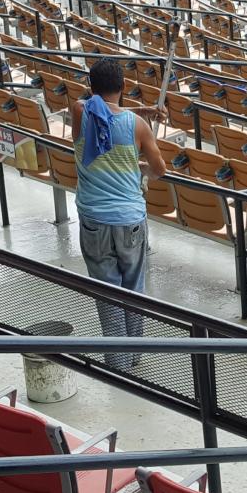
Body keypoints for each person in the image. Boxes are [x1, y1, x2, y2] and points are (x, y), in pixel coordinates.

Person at [70, 58, 169, 357]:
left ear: (90, 86)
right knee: (132, 288)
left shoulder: (79, 111)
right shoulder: (137, 126)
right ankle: (134, 353)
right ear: (124, 87)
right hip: (130, 220)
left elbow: (100, 109)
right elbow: (160, 169)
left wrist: (142, 110)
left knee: (107, 292)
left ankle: (118, 361)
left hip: (93, 220)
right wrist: (145, 116)